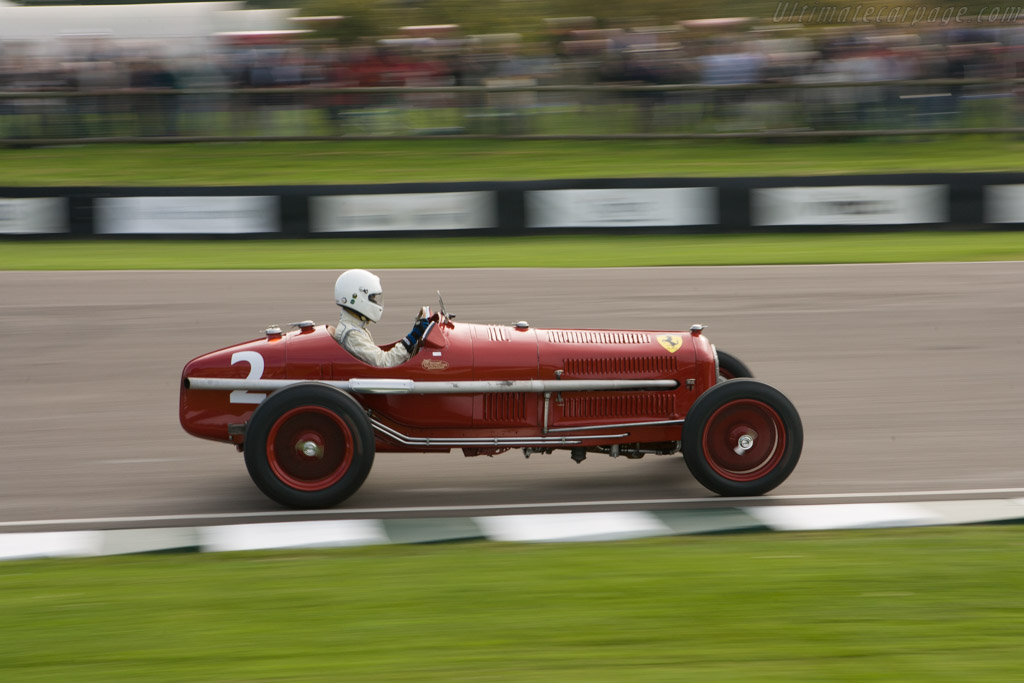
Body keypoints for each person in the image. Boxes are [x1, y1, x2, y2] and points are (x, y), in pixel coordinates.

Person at [332, 269, 430, 368]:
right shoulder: (352, 334)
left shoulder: (355, 327)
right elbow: (384, 362)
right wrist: (411, 339)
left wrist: (412, 341)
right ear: (356, 298)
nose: (374, 303)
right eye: (372, 298)